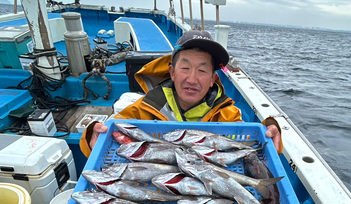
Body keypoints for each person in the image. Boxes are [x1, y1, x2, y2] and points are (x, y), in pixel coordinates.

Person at [80, 30, 282, 158]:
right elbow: (99, 143)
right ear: (172, 73)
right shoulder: (143, 109)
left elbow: (250, 142)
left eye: (202, 70)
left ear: (213, 79)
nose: (192, 79)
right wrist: (92, 134)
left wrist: (271, 130)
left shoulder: (227, 116)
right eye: (185, 68)